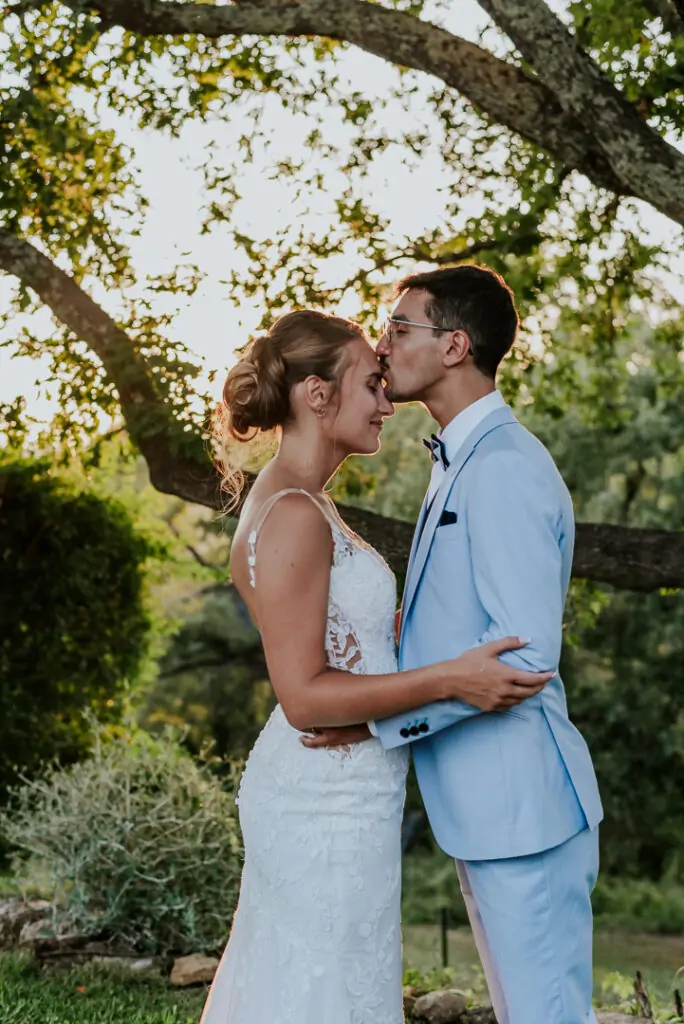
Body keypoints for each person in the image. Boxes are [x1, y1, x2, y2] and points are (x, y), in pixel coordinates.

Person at [199, 308, 552, 1024]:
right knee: (323, 990)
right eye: (371, 385)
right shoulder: (294, 511)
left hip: (346, 779)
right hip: (323, 798)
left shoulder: (305, 501)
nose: (388, 404)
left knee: (336, 984)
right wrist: (453, 678)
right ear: (316, 395)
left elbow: (336, 647)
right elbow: (303, 694)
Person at [304, 267, 604, 1024]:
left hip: (524, 809)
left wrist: (382, 720)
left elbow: (525, 658)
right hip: (489, 807)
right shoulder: (460, 459)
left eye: (400, 328)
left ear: (455, 347)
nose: (383, 344)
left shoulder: (502, 467)